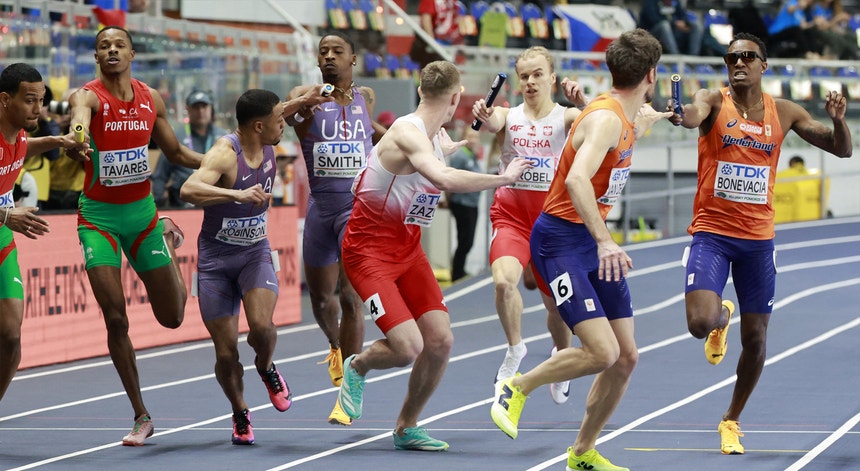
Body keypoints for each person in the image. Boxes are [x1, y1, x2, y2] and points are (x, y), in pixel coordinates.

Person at [489, 29, 669, 471]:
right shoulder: (606, 118)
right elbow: (574, 180)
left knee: (625, 356)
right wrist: (606, 240)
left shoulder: (625, 116)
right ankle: (518, 386)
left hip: (588, 242)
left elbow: (639, 121)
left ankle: (582, 452)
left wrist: (664, 115)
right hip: (560, 240)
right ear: (651, 73)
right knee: (601, 352)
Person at [335, 60, 533, 451]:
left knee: (440, 342)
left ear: (421, 90)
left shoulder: (432, 137)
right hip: (368, 254)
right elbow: (442, 180)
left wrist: (445, 150)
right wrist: (504, 179)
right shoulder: (408, 133)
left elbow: (429, 170)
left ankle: (407, 426)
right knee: (408, 347)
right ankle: (357, 366)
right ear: (457, 97)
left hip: (408, 252)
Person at [669, 32, 852, 455]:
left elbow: (841, 150)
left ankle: (730, 419)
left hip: (757, 242)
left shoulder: (783, 112)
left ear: (763, 66)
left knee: (756, 341)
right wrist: (682, 114)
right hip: (712, 235)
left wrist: (840, 121)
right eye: (731, 57)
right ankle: (719, 320)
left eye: (748, 56)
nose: (738, 63)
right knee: (699, 323)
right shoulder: (713, 101)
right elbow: (694, 115)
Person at [65, 26, 205, 446]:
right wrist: (78, 140)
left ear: (131, 53)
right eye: (103, 46)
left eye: (118, 45)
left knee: (173, 317)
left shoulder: (151, 99)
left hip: (145, 218)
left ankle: (170, 242)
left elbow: (177, 154)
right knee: (115, 316)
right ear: (96, 57)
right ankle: (141, 414)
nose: (111, 50)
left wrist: (223, 163)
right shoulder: (86, 96)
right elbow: (78, 123)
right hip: (98, 220)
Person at [180, 87, 331, 445]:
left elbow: (282, 109)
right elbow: (188, 189)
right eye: (280, 120)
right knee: (226, 352)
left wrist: (307, 100)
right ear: (259, 126)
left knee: (262, 328)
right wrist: (236, 194)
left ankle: (265, 366)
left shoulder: (265, 132)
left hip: (254, 252)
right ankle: (240, 412)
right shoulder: (224, 153)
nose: (286, 124)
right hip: (216, 261)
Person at [470, 46, 587, 403]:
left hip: (551, 223)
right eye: (524, 76)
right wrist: (483, 113)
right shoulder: (509, 115)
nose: (531, 82)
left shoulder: (566, 117)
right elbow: (491, 122)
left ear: (552, 77)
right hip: (511, 218)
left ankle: (561, 358)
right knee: (505, 282)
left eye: (538, 74)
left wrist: (583, 103)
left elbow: (601, 125)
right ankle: (515, 348)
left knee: (556, 308)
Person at [286, 31, 385, 426]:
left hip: (354, 209)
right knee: (321, 299)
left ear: (353, 60)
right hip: (319, 209)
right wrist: (305, 102)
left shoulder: (366, 97)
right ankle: (334, 346)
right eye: (323, 52)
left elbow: (370, 132)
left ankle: (350, 383)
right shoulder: (305, 95)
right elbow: (275, 115)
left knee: (350, 297)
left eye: (336, 51)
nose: (328, 57)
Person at [0, 63, 88, 403]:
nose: (39, 108)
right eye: (30, 100)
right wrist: (6, 214)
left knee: (10, 339)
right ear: (5, 100)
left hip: (2, 244)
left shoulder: (18, 132)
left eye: (41, 100)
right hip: (5, 224)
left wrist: (58, 140)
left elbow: (22, 148)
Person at [151, 89, 227, 208]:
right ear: (188, 110)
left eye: (204, 107)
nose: (201, 111)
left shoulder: (224, 138)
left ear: (211, 109)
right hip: (182, 205)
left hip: (217, 203)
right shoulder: (176, 136)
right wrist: (160, 203)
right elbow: (160, 176)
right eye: (196, 107)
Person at [445, 126, 482, 282]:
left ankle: (459, 270)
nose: (473, 140)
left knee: (468, 241)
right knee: (464, 240)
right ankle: (457, 273)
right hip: (462, 203)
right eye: (470, 136)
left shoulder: (472, 156)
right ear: (464, 137)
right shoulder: (460, 156)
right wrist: (449, 201)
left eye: (476, 137)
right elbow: (449, 179)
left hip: (472, 203)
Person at [639, 0, 704, 56]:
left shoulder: (675, 2)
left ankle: (693, 57)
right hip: (653, 33)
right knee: (664, 25)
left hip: (674, 32)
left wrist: (684, 23)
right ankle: (675, 56)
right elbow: (654, 19)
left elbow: (683, 15)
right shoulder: (650, 1)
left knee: (695, 25)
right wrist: (674, 23)